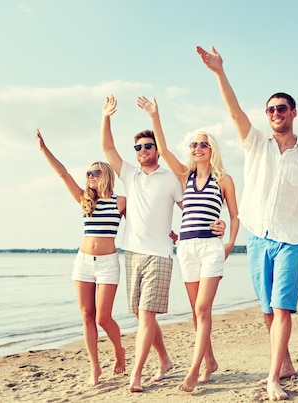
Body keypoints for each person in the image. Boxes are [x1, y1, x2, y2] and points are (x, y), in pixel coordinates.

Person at [197, 46, 298, 401]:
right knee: (267, 309)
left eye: (281, 108)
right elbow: (234, 112)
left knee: (282, 307)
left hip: (291, 239)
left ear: (293, 113)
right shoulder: (255, 143)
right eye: (270, 110)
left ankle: (272, 378)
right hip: (257, 237)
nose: (275, 114)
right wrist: (220, 72)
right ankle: (284, 364)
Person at [100, 95, 225, 393]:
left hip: (160, 256)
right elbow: (107, 148)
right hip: (132, 253)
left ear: (156, 149)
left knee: (147, 316)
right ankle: (168, 358)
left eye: (147, 146)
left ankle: (136, 374)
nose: (142, 151)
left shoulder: (172, 178)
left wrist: (216, 226)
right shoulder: (129, 174)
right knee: (140, 314)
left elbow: (193, 207)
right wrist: (105, 117)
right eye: (138, 148)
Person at [137, 95, 239, 393]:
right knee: (196, 311)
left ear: (212, 150)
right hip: (186, 249)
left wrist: (230, 242)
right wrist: (155, 116)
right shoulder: (184, 175)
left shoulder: (224, 179)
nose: (197, 148)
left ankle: (193, 371)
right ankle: (210, 361)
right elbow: (164, 149)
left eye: (203, 144)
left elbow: (234, 215)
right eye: (194, 144)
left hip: (210, 249)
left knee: (204, 308)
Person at [35, 128, 126, 387]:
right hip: (83, 262)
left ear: (106, 175)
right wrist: (44, 150)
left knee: (103, 318)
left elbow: (144, 221)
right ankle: (95, 367)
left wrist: (171, 233)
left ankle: (119, 350)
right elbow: (63, 173)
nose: (90, 177)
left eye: (95, 172)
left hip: (108, 264)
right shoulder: (86, 200)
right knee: (87, 315)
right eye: (88, 173)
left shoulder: (120, 202)